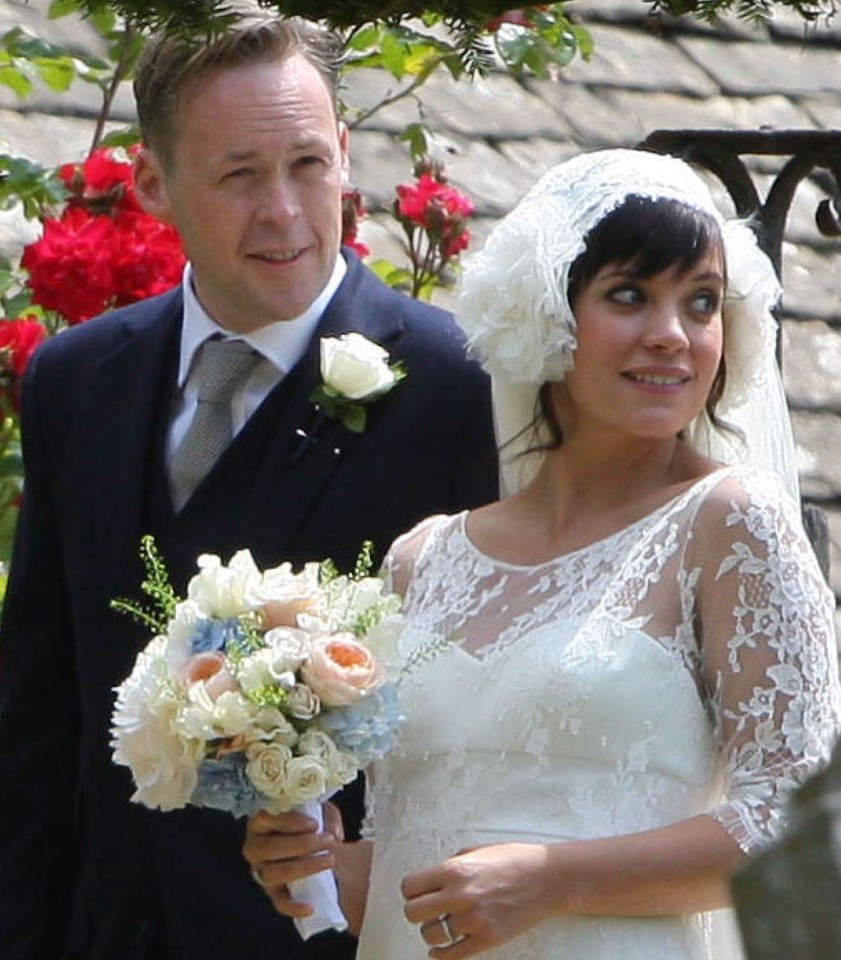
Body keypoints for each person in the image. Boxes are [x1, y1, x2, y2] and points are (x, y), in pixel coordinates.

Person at [242, 148, 841, 960]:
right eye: (629, 295)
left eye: (699, 303)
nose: (671, 335)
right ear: (545, 314)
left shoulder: (728, 521)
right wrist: (321, 869)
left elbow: (799, 826)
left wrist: (556, 877)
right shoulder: (423, 560)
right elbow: (417, 860)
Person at [0, 9, 498, 960]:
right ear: (153, 182)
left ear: (345, 156)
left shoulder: (453, 389)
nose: (282, 211)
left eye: (307, 164)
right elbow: (38, 715)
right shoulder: (76, 380)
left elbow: (488, 727)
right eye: (239, 174)